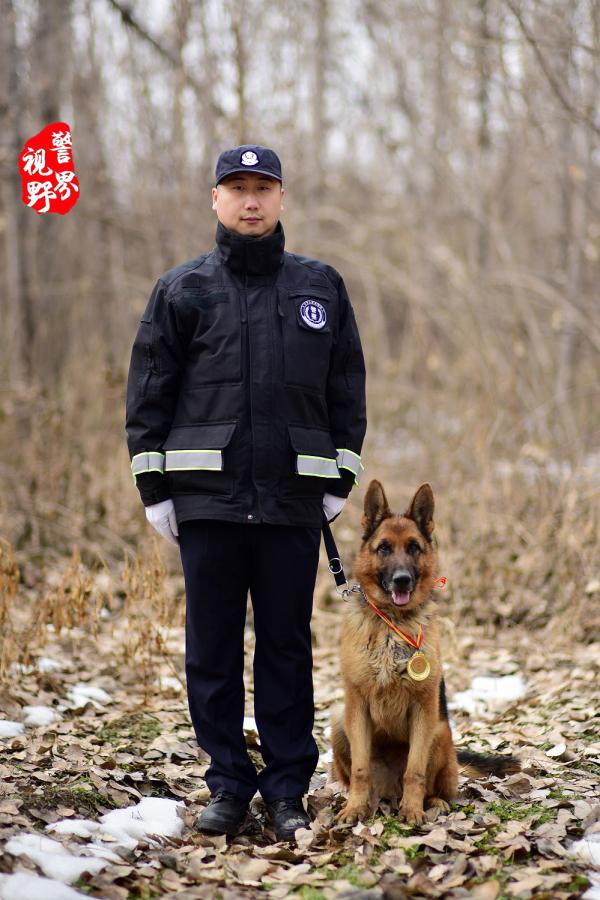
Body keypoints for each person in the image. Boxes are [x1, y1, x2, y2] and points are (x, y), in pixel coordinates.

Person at [125, 144, 367, 841]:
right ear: (215, 199)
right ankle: (228, 786)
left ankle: (287, 790)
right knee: (213, 649)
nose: (250, 200)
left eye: (263, 187)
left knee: (287, 648)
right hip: (207, 504)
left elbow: (346, 391)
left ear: (283, 198)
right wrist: (156, 491)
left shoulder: (321, 286)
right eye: (237, 187)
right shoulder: (182, 290)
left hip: (295, 502)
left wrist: (339, 479)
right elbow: (148, 396)